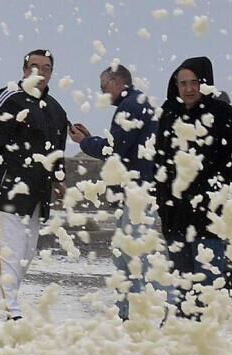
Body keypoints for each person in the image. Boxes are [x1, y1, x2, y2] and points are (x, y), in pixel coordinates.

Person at [0, 49, 69, 320]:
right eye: (34, 66)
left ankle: (8, 302)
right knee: (5, 250)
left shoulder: (56, 109)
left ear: (51, 73)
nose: (40, 72)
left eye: (46, 68)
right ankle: (6, 309)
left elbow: (56, 148)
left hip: (37, 192)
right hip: (6, 185)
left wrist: (59, 178)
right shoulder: (10, 96)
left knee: (25, 253)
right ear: (24, 69)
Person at [68, 64, 173, 320]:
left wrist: (84, 142)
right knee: (127, 253)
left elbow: (114, 151)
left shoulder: (131, 107)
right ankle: (131, 311)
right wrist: (92, 139)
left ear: (117, 82)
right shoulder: (139, 103)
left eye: (104, 88)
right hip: (141, 190)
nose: (102, 94)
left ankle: (150, 311)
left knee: (136, 255)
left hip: (138, 193)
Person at [154, 56, 232, 319]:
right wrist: (163, 202)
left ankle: (205, 338)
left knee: (208, 286)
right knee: (179, 287)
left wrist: (216, 185)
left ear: (204, 83)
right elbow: (160, 160)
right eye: (183, 83)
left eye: (194, 82)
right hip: (176, 216)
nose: (189, 88)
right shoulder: (169, 112)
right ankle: (176, 336)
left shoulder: (222, 113)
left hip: (210, 218)